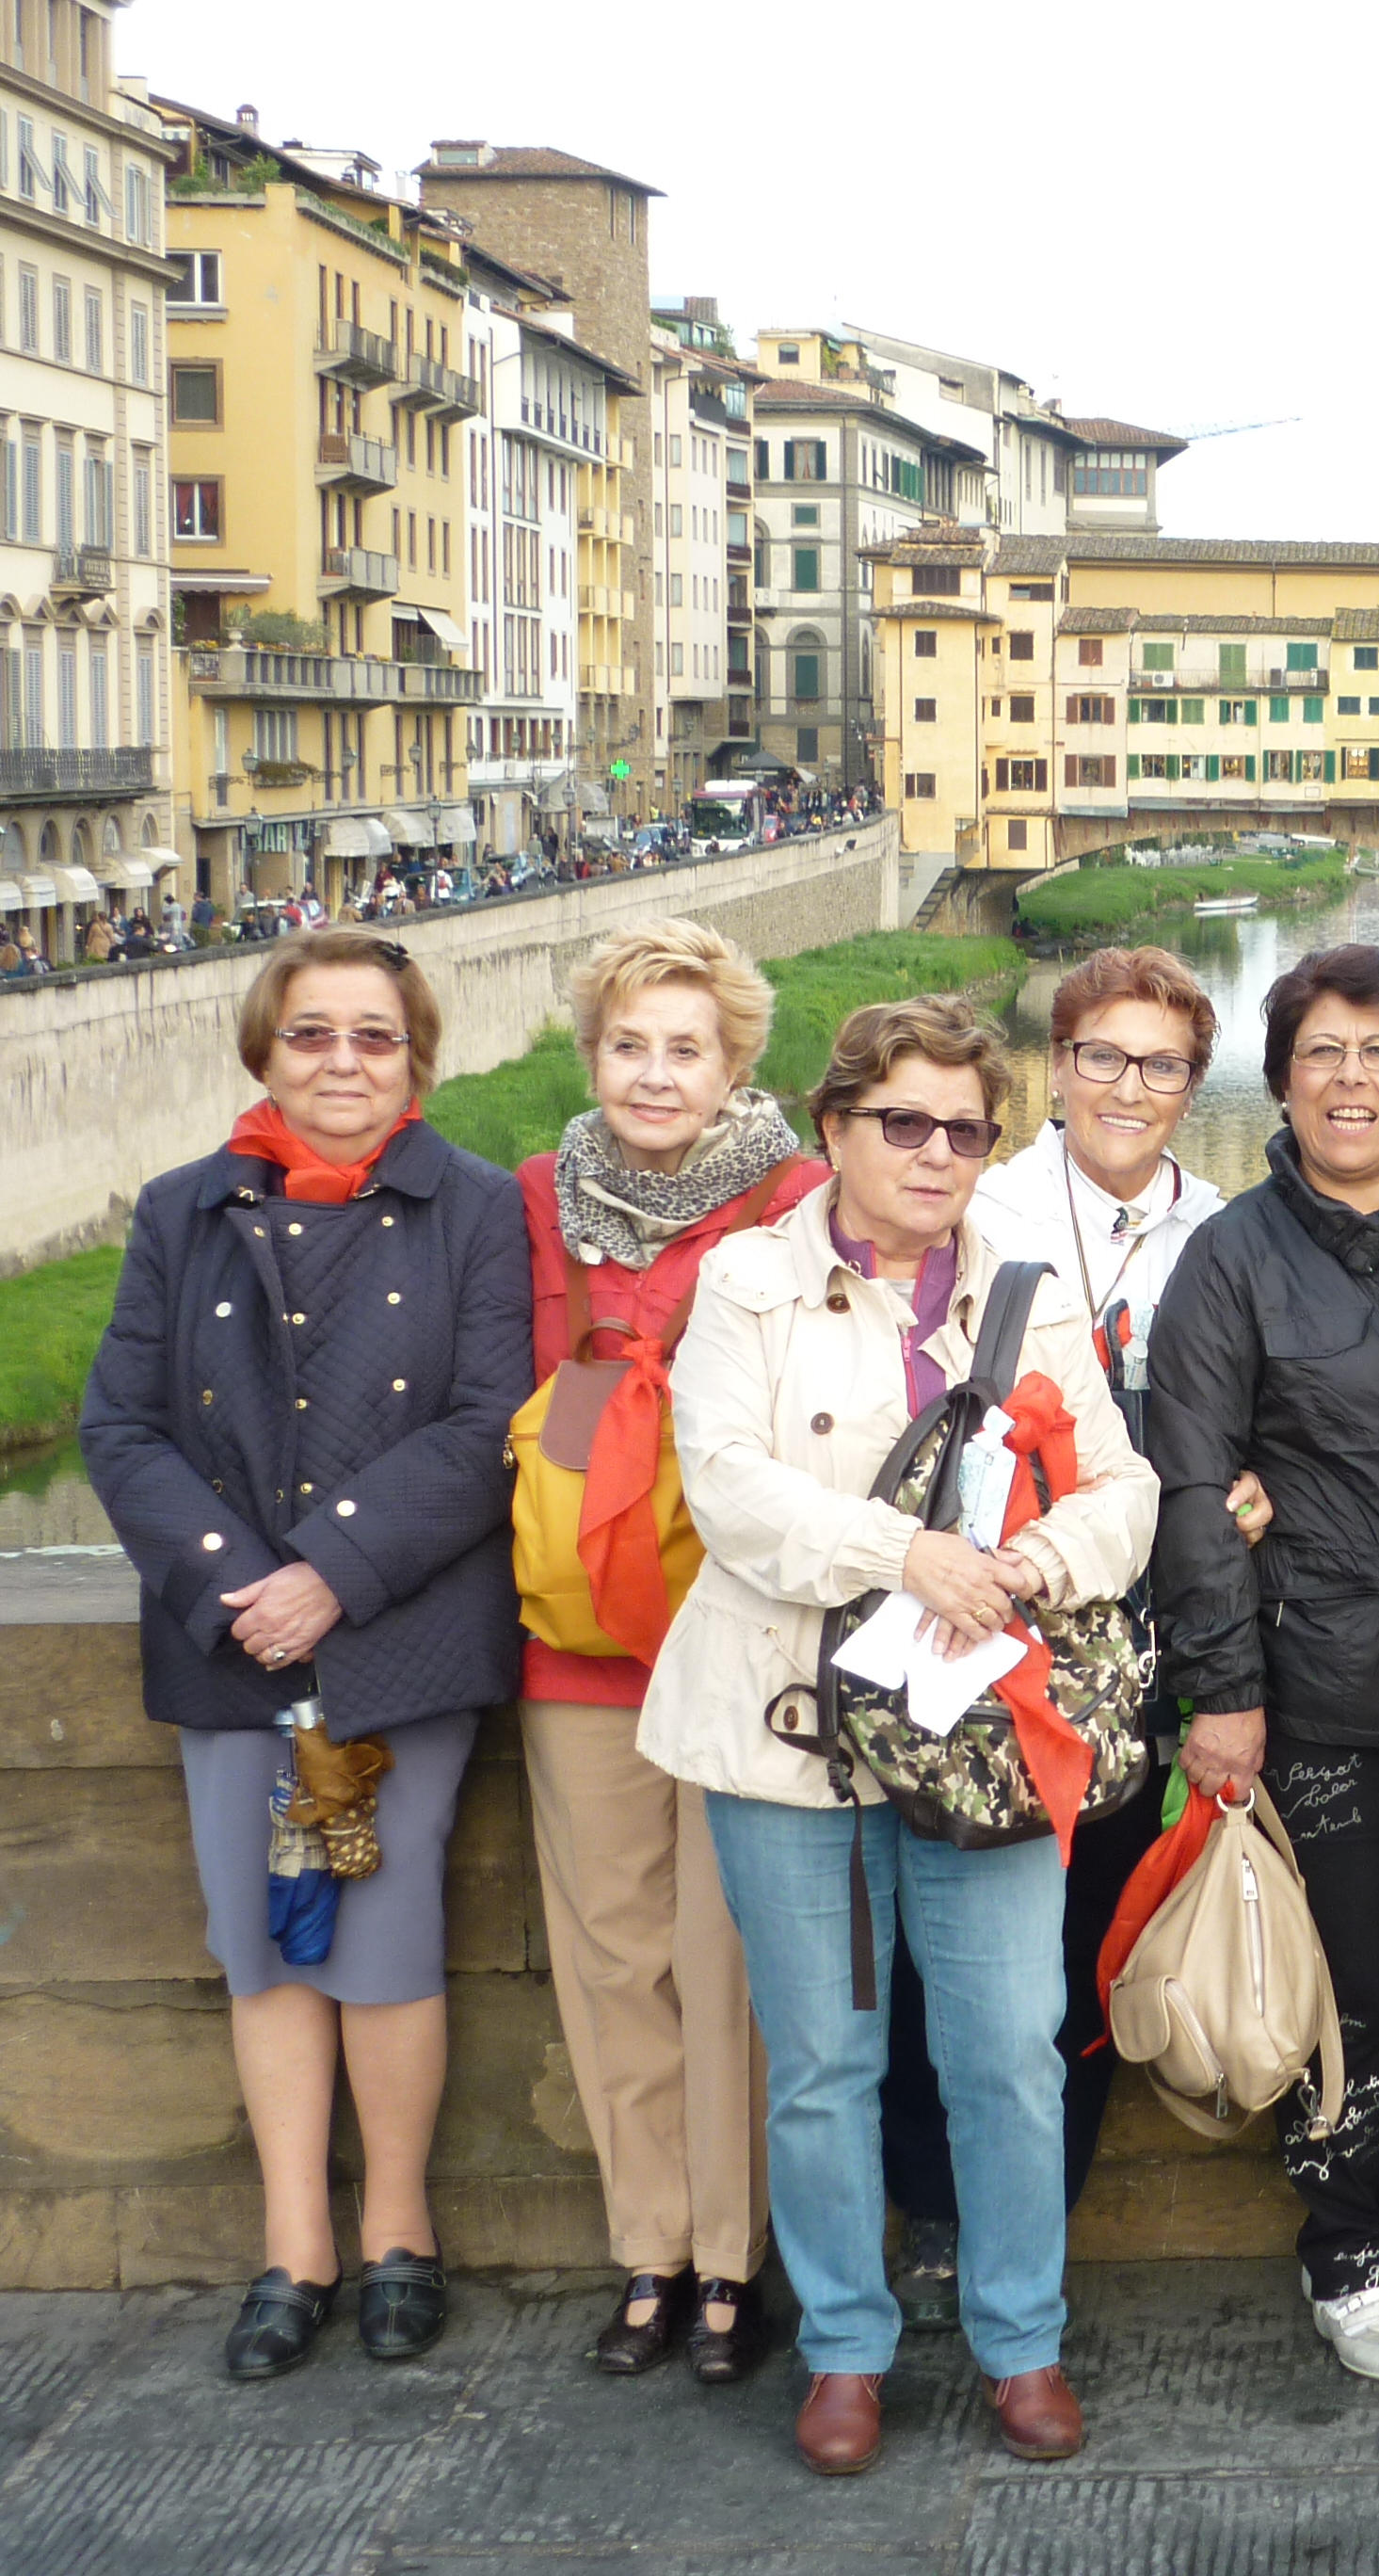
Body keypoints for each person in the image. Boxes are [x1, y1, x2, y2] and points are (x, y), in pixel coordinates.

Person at [644, 996, 1157, 2477]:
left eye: (966, 1129)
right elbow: (728, 1489)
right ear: (834, 1128)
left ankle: (1022, 2343)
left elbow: (1122, 1488)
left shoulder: (1028, 1283)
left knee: (1008, 2053)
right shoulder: (748, 1281)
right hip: (789, 1727)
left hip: (982, 1732)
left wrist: (1035, 1565)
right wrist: (902, 1554)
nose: (937, 1154)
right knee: (823, 2062)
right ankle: (847, 2351)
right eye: (904, 1123)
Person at [81, 929, 532, 2380]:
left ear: (419, 1060)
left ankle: (399, 2233)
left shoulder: (473, 1207)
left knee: (386, 1949)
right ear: (264, 1052)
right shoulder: (180, 1209)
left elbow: (486, 1424)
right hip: (231, 1647)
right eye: (314, 1035)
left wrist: (331, 1574)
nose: (344, 1062)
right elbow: (123, 1429)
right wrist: (241, 1585)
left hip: (393, 1638)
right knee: (259, 1952)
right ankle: (295, 2249)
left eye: (375, 1038)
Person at [1143, 943, 1379, 2385]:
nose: (1353, 1080)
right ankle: (1340, 2253)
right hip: (1321, 1682)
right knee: (1339, 1987)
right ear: (1282, 1079)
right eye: (1323, 1052)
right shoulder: (1233, 1257)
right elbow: (1190, 1491)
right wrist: (1223, 1694)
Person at [873, 946, 1230, 2336]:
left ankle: (1039, 2226)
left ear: (1192, 1085)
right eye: (1100, 1057)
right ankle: (934, 2215)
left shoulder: (1224, 1228)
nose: (1127, 1088)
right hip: (980, 1633)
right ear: (1057, 1069)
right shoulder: (986, 1204)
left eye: (1159, 1065)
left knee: (1083, 1954)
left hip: (1138, 1654)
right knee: (940, 1950)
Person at [517, 922, 828, 2382]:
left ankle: (730, 2260)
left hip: (743, 1628)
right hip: (577, 1635)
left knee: (733, 1959)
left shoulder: (798, 1199)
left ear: (734, 1066)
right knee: (613, 1954)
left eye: (685, 1047)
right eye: (629, 1044)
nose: (655, 1073)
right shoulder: (533, 1201)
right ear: (593, 1057)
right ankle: (646, 2247)